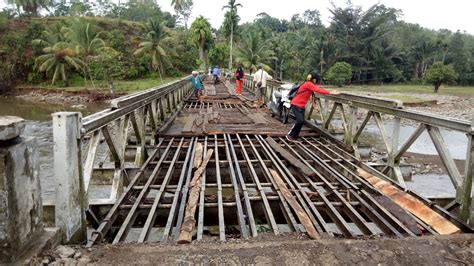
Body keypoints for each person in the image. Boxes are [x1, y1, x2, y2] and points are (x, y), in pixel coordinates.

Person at [287, 70, 340, 142]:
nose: (316, 81)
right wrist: (330, 92)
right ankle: (290, 135)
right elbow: (318, 90)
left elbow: (312, 95)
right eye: (316, 79)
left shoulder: (308, 84)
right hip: (296, 104)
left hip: (301, 105)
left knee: (301, 121)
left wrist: (314, 106)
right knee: (300, 121)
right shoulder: (308, 84)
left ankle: (295, 136)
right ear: (314, 79)